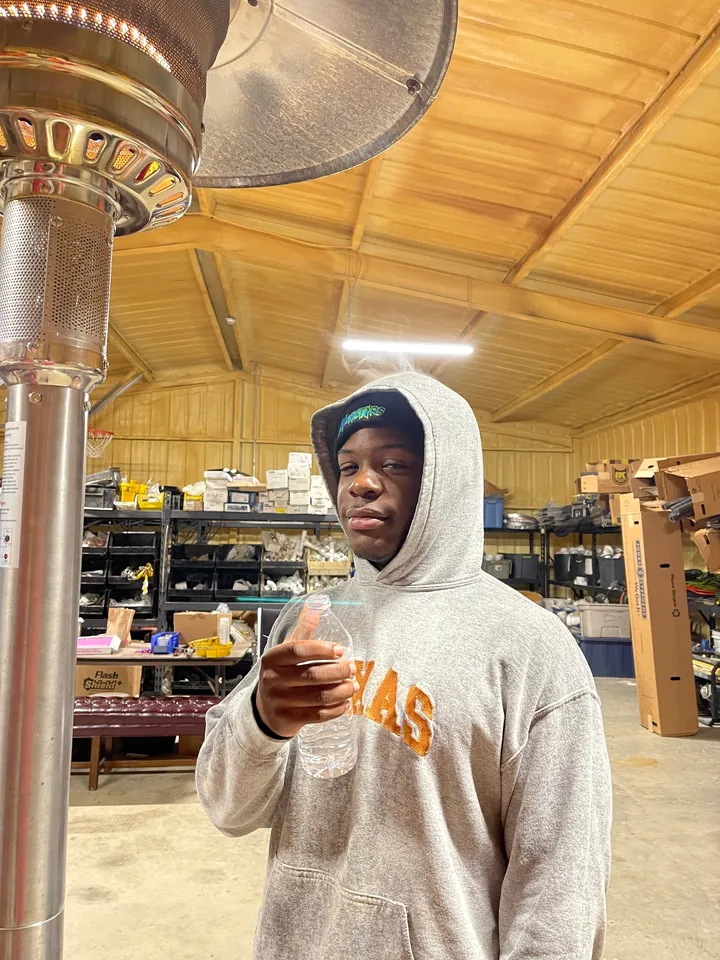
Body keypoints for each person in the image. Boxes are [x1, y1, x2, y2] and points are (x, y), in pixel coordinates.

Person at [197, 372, 612, 960]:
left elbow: (561, 882)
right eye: (347, 466)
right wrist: (262, 723)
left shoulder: (528, 646)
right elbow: (228, 809)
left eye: (393, 464)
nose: (361, 484)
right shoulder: (310, 620)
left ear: (448, 480)